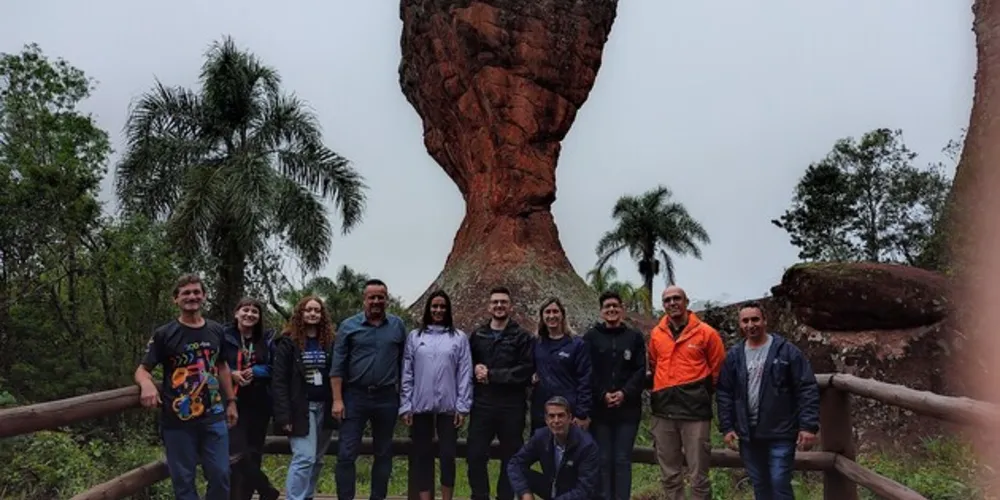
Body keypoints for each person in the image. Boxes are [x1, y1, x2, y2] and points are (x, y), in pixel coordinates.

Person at [134, 273, 238, 500]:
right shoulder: (164, 334)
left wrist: (231, 402)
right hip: (178, 419)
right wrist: (146, 385)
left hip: (214, 416)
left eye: (196, 292)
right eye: (186, 293)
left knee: (221, 475)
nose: (192, 297)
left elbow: (222, 367)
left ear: (204, 296)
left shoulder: (217, 330)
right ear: (175, 299)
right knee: (183, 481)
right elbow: (143, 369)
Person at [716, 302, 820, 500]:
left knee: (779, 481)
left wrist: (808, 426)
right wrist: (727, 427)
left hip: (780, 430)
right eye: (745, 321)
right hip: (748, 433)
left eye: (755, 319)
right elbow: (724, 393)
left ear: (765, 320)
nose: (750, 325)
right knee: (759, 484)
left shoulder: (786, 351)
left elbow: (806, 387)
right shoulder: (735, 356)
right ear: (740, 324)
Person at [331, 278, 408, 500]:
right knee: (346, 453)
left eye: (380, 297)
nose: (376, 301)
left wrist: (405, 399)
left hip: (386, 397)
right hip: (355, 396)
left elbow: (405, 364)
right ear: (364, 300)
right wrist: (337, 399)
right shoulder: (348, 326)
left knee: (383, 453)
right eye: (372, 297)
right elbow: (337, 366)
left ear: (387, 299)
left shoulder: (397, 326)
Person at [647, 285, 726, 500]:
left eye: (676, 298)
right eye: (667, 300)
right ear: (663, 305)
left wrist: (700, 392)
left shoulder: (707, 333)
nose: (672, 303)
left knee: (698, 475)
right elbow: (655, 364)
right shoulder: (656, 334)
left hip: (695, 412)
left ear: (686, 301)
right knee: (669, 475)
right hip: (663, 411)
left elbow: (718, 369)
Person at [399, 290, 473, 500]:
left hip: (449, 408)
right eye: (434, 306)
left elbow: (465, 372)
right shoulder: (415, 337)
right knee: (423, 455)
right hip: (419, 406)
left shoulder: (458, 338)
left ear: (448, 309)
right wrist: (406, 404)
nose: (438, 310)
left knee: (448, 456)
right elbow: (407, 372)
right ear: (428, 309)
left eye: (442, 306)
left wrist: (462, 405)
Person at [467, 286, 535, 500]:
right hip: (483, 404)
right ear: (489, 306)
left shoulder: (522, 337)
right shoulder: (478, 335)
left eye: (503, 302)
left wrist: (492, 375)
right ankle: (480, 495)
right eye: (495, 302)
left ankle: (505, 497)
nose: (499, 305)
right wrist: (474, 369)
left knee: (512, 456)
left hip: (511, 405)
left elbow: (525, 370)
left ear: (510, 306)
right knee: (475, 454)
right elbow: (465, 364)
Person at [582, 291, 647, 500]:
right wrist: (602, 395)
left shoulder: (634, 337)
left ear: (622, 309)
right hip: (600, 411)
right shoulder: (591, 337)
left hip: (627, 410)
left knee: (621, 460)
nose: (611, 310)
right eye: (607, 307)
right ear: (601, 311)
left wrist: (624, 393)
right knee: (602, 459)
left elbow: (640, 370)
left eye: (615, 306)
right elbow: (587, 369)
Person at [271, 295, 338, 500]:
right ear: (300, 313)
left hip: (324, 407)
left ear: (322, 315)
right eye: (308, 310)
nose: (313, 314)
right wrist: (284, 416)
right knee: (304, 457)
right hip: (300, 408)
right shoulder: (288, 342)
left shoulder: (330, 342)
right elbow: (279, 381)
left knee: (317, 459)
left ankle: (307, 496)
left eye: (317, 310)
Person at [224, 298, 280, 500]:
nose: (249, 314)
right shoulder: (224, 336)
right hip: (231, 400)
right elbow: (214, 362)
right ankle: (266, 490)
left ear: (259, 317)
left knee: (254, 452)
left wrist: (255, 371)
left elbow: (275, 367)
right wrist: (232, 373)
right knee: (236, 454)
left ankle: (244, 496)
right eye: (245, 310)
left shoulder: (266, 340)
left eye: (254, 312)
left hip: (258, 402)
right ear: (236, 313)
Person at [507, 396, 601, 500]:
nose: (556, 421)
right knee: (521, 474)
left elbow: (585, 489)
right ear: (546, 420)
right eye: (552, 416)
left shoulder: (587, 445)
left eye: (560, 416)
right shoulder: (540, 437)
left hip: (577, 494)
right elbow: (515, 463)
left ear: (569, 418)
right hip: (552, 487)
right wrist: (525, 493)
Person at [530, 297, 592, 432]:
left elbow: (585, 380)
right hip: (542, 411)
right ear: (542, 316)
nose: (551, 316)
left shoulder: (576, 344)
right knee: (541, 451)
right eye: (547, 312)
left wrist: (582, 413)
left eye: (555, 312)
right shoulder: (536, 343)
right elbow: (527, 367)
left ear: (562, 315)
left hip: (568, 411)